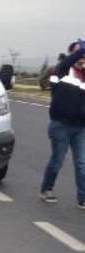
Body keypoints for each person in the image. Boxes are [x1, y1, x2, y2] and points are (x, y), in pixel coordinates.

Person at [40, 39, 85, 209]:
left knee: (82, 163)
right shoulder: (61, 70)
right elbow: (68, 61)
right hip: (60, 125)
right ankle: (47, 189)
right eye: (78, 52)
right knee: (57, 160)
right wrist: (80, 51)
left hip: (80, 127)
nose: (82, 56)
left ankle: (83, 198)